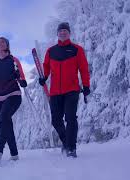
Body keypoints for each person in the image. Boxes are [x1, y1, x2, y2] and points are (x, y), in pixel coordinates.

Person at [39, 22, 90, 158]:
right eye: (60, 31)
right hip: (55, 91)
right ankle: (66, 143)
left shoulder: (77, 50)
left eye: (65, 31)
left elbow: (84, 69)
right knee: (56, 120)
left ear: (69, 33)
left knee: (70, 117)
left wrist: (86, 86)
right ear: (57, 33)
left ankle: (71, 148)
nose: (63, 33)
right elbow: (46, 66)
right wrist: (44, 77)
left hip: (72, 90)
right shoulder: (51, 51)